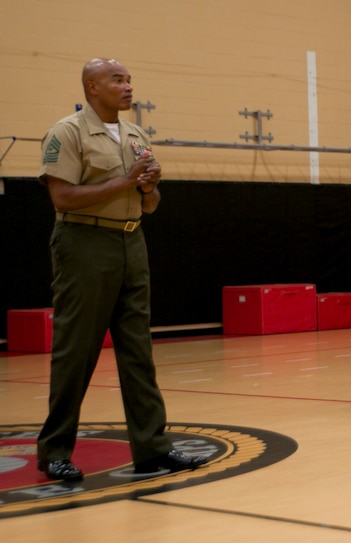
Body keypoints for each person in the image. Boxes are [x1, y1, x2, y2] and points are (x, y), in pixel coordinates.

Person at [36, 58, 208, 481]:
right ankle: (54, 450)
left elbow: (150, 203)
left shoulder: (135, 134)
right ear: (92, 87)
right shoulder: (68, 132)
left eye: (130, 79)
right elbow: (62, 198)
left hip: (131, 241)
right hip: (85, 243)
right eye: (118, 80)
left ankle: (152, 449)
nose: (128, 86)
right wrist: (128, 181)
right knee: (76, 353)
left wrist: (148, 188)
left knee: (138, 352)